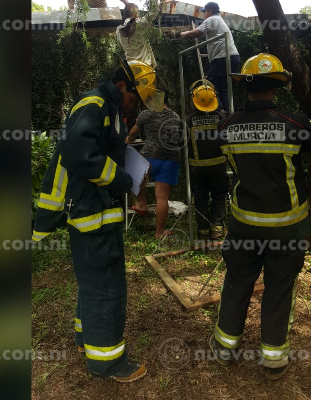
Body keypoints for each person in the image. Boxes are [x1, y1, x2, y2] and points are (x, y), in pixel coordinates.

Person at [32, 56, 162, 383]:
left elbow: (100, 153)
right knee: (107, 288)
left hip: (95, 216)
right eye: (134, 98)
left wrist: (132, 171)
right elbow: (80, 155)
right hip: (94, 217)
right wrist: (123, 180)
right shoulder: (96, 105)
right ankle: (108, 362)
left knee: (92, 283)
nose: (134, 106)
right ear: (122, 86)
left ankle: (85, 340)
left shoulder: (107, 109)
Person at [209, 53, 311, 381]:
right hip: (287, 228)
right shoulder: (293, 125)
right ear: (277, 87)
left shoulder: (225, 127)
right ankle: (274, 359)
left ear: (245, 87)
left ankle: (225, 349)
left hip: (243, 225)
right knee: (279, 287)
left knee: (237, 281)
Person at [125, 90, 182, 239]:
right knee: (162, 197)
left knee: (134, 175)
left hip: (151, 156)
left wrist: (125, 143)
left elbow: (132, 133)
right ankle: (159, 232)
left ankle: (142, 203)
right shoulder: (175, 116)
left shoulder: (147, 113)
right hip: (171, 158)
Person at [175, 2, 239, 114]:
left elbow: (195, 34)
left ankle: (217, 112)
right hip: (233, 57)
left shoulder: (212, 19)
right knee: (223, 86)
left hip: (222, 57)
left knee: (211, 84)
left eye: (205, 12)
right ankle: (228, 114)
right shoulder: (220, 21)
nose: (203, 14)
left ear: (210, 11)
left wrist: (179, 34)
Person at [185, 79, 228, 241]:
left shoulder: (188, 121)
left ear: (194, 100)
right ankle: (217, 231)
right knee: (219, 197)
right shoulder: (222, 118)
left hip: (197, 170)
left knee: (201, 199)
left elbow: (179, 141)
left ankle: (202, 232)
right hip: (219, 168)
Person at [116, 3, 157, 69]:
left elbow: (120, 46)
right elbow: (153, 14)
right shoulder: (139, 23)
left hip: (131, 68)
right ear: (135, 14)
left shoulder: (118, 31)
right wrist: (161, 3)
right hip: (144, 67)